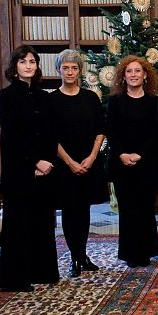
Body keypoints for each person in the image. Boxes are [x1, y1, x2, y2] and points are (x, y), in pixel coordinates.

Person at [0, 45, 59, 292]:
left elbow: (51, 132)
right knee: (19, 225)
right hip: (18, 170)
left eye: (33, 61)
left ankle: (42, 272)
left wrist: (47, 162)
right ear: (15, 67)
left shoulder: (44, 96)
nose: (29, 65)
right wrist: (34, 162)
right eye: (23, 62)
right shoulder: (6, 96)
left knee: (42, 222)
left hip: (45, 169)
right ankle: (16, 279)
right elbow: (13, 135)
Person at [50, 49, 107, 278]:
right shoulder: (51, 100)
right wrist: (70, 162)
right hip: (65, 165)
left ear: (80, 71)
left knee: (83, 212)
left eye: (74, 67)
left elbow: (100, 130)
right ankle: (75, 257)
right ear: (58, 70)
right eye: (66, 68)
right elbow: (50, 137)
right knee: (70, 212)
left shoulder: (90, 98)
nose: (70, 71)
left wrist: (92, 158)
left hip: (88, 163)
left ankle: (82, 254)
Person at [106, 55, 158, 268]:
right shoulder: (115, 101)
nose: (133, 75)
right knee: (128, 210)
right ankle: (130, 254)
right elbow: (111, 130)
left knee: (145, 209)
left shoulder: (154, 102)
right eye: (129, 71)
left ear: (145, 75)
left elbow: (156, 133)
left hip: (147, 164)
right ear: (123, 75)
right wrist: (122, 154)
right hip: (122, 164)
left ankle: (146, 252)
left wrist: (140, 154)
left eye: (138, 71)